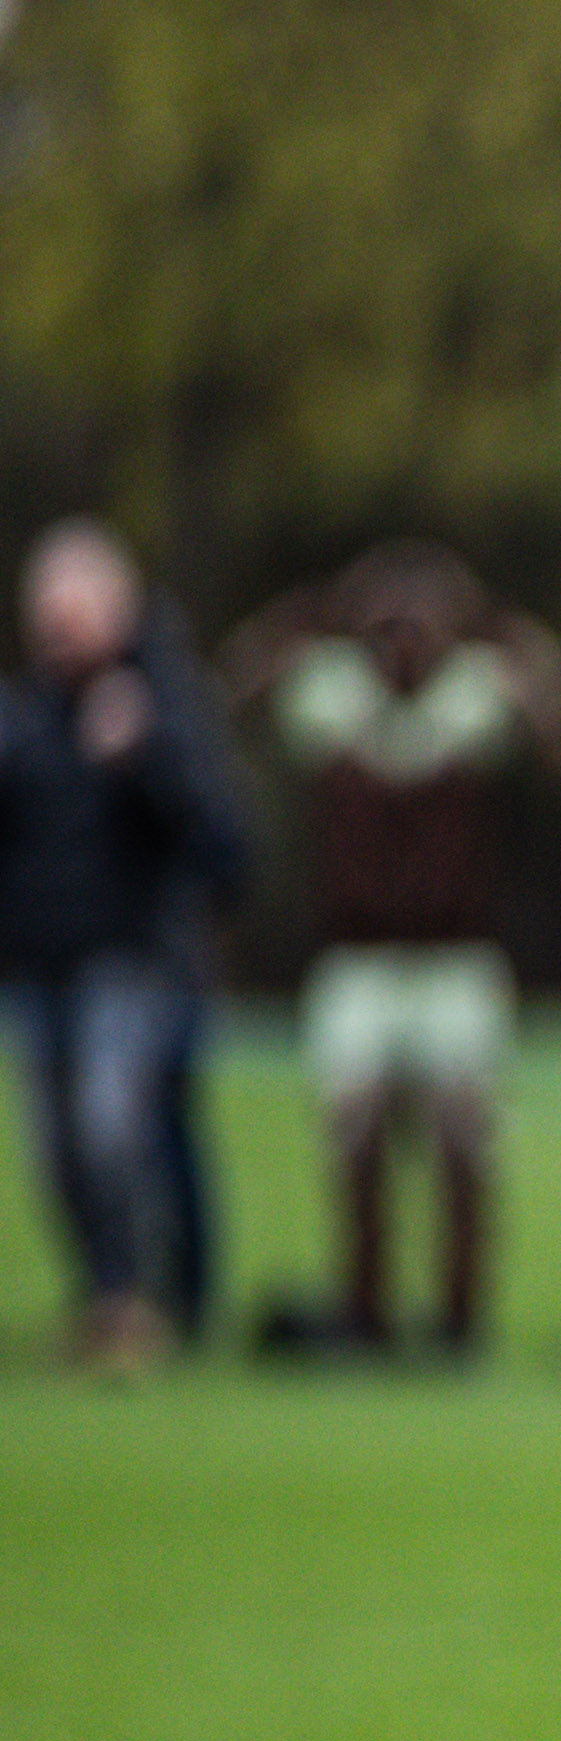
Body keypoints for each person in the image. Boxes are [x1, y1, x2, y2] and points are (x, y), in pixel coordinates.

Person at [242, 544, 561, 1362]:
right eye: (387, 622)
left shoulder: (476, 699)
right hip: (359, 957)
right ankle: (365, 1310)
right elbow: (232, 691)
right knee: (354, 1130)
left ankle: (460, 1318)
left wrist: (509, 634)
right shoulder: (329, 698)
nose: (404, 641)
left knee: (463, 1134)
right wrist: (303, 616)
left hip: (453, 958)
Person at [4, 523, 245, 1366]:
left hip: (137, 960)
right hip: (40, 964)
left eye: (75, 615)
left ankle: (149, 1302)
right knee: (58, 1150)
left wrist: (143, 756)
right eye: (49, 618)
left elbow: (225, 844)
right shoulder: (24, 721)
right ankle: (109, 1298)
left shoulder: (165, 706)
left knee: (119, 1131)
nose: (60, 635)